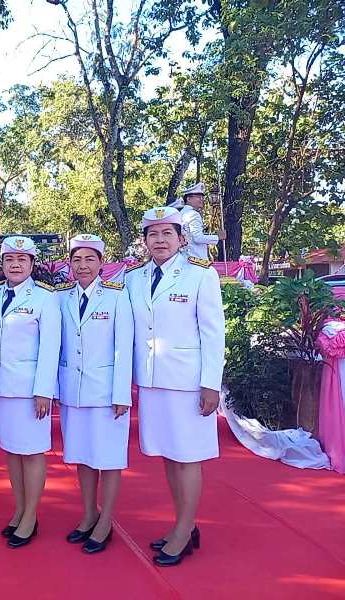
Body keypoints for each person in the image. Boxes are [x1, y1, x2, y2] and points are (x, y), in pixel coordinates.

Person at [125, 206, 225, 566]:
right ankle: (185, 524)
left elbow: (213, 333)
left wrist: (211, 384)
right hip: (152, 380)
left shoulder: (200, 275)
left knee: (188, 457)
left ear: (182, 239)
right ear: (145, 241)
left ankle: (183, 531)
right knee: (168, 454)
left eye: (167, 233)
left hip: (187, 381)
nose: (160, 240)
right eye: (153, 234)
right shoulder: (134, 278)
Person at [0, 235, 60, 548]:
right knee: (12, 451)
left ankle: (31, 516)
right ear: (1, 263)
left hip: (29, 390)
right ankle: (20, 508)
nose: (15, 265)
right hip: (0, 387)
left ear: (32, 264)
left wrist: (43, 391)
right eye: (10, 259)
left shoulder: (44, 298)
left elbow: (50, 347)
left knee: (32, 452)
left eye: (22, 260)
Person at [57, 234, 134, 555]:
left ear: (102, 263)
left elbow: (124, 347)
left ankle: (106, 520)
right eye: (77, 260)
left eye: (90, 259)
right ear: (69, 264)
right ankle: (89, 513)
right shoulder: (60, 297)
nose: (83, 265)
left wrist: (122, 393)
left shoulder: (117, 296)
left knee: (109, 457)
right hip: (72, 391)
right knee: (82, 455)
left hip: (106, 392)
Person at [175, 183, 226, 260]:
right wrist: (218, 237)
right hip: (196, 259)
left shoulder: (180, 214)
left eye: (202, 197)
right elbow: (197, 238)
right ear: (189, 199)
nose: (202, 199)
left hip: (184, 257)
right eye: (199, 197)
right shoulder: (193, 214)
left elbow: (190, 236)